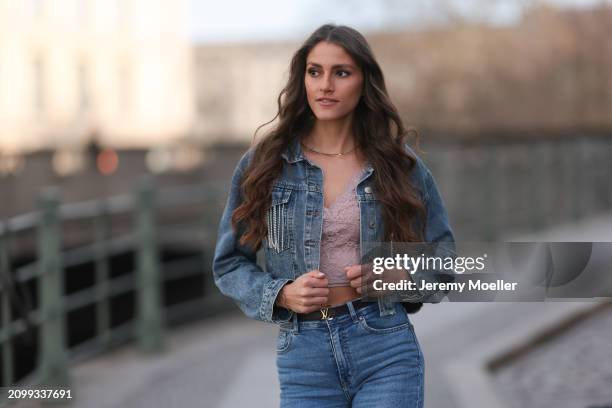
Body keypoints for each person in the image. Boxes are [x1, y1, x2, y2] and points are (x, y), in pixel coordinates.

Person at [212, 24, 455, 408]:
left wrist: (400, 276)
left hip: (385, 345)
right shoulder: (265, 165)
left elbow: (446, 262)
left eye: (341, 72)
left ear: (364, 83)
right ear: (302, 80)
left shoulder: (399, 166)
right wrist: (282, 294)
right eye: (315, 72)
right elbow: (228, 266)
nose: (325, 84)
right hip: (304, 357)